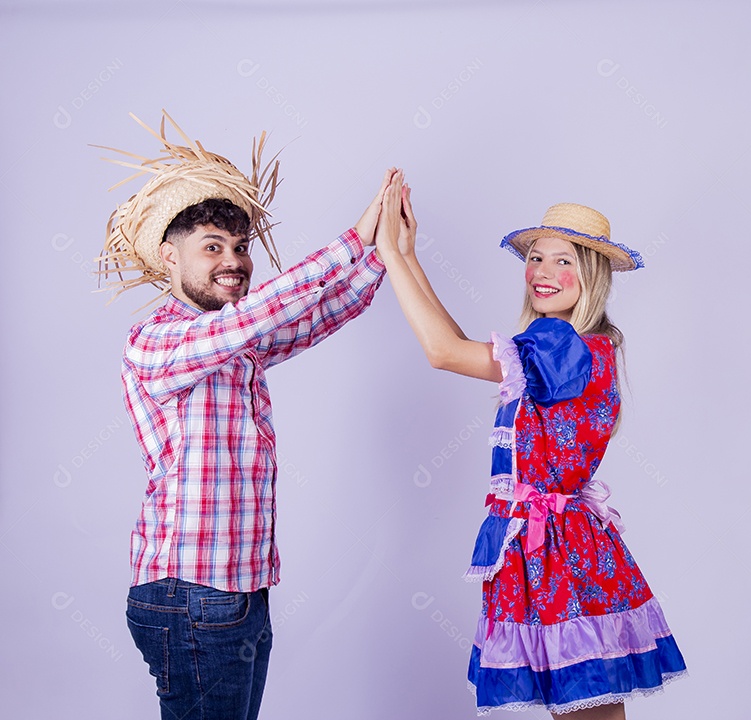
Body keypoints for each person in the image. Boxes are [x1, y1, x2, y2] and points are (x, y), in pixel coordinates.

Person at [98, 111, 392, 720]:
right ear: (168, 257)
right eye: (212, 247)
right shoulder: (158, 341)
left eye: (239, 247)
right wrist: (354, 239)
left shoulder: (235, 345)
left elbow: (315, 316)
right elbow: (257, 315)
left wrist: (383, 253)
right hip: (191, 591)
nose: (233, 260)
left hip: (238, 589)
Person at [373, 172, 687, 717]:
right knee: (589, 708)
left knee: (587, 708)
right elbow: (459, 344)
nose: (543, 271)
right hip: (557, 542)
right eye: (537, 258)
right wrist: (408, 255)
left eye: (564, 260)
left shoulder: (560, 346)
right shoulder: (571, 345)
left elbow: (443, 352)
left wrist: (388, 256)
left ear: (590, 274)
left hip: (557, 550)